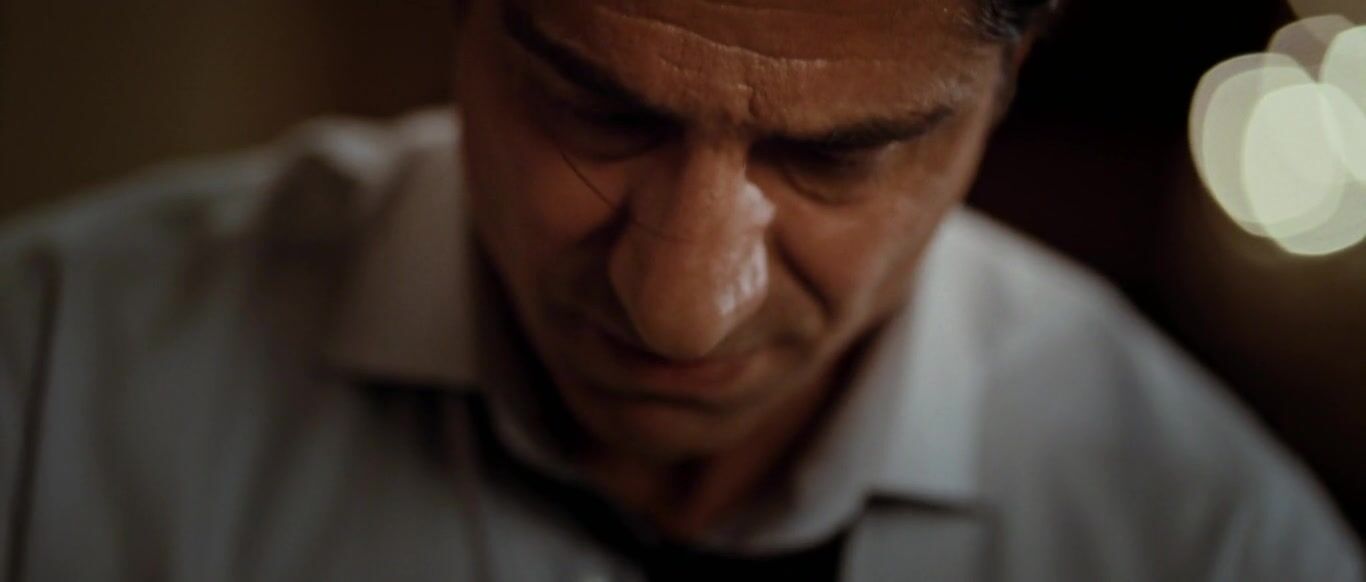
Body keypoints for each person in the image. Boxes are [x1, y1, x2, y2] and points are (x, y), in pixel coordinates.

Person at [1, 0, 1361, 580]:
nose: (680, 309)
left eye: (836, 156)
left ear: (1006, 84)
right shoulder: (42, 382)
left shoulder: (1216, 546)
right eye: (599, 113)